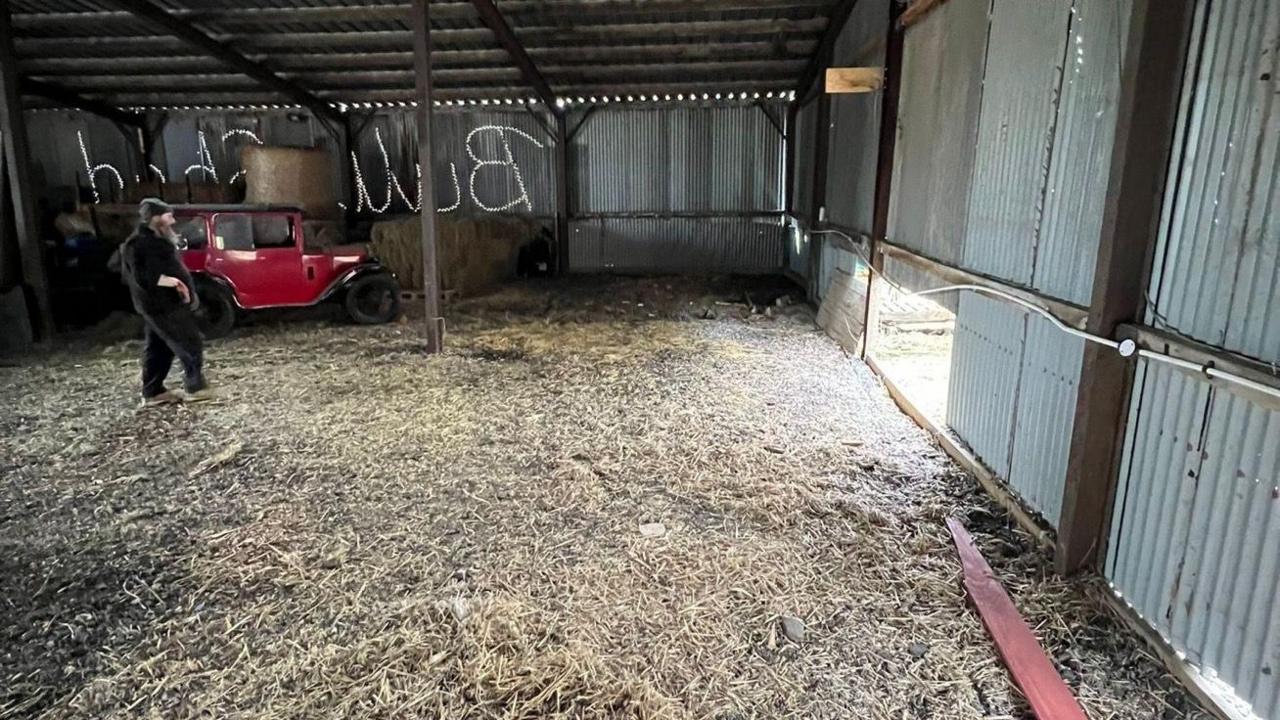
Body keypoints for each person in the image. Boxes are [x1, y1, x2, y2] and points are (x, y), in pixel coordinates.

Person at [119, 198, 215, 406]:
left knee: (159, 348)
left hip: (166, 304)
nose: (172, 220)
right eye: (167, 215)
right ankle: (195, 387)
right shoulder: (138, 244)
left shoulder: (156, 240)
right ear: (155, 218)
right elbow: (141, 276)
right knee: (189, 341)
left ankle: (153, 391)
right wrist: (174, 282)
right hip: (160, 305)